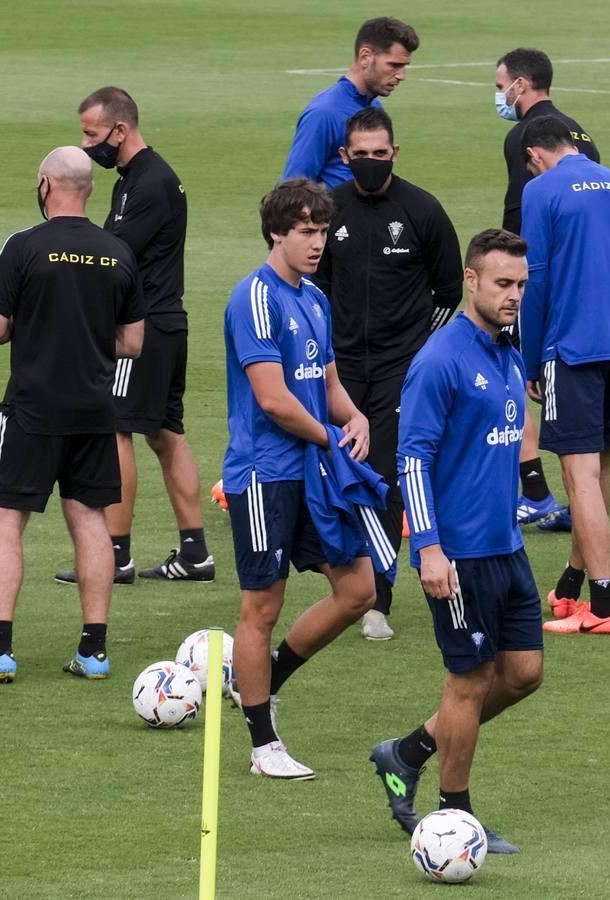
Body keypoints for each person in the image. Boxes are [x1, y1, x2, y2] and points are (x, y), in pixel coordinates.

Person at [368, 229, 542, 854]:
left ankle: (407, 751)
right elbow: (411, 460)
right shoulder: (440, 359)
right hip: (460, 555)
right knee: (468, 683)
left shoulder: (506, 351)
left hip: (506, 546)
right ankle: (454, 818)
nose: (514, 295)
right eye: (502, 283)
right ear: (471, 281)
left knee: (523, 673)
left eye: (521, 284)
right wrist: (429, 550)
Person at [0, 147, 145, 683]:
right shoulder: (118, 251)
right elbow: (132, 342)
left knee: (5, 519)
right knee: (89, 521)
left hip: (32, 408)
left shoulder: (24, 246)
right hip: (96, 411)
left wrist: (35, 320)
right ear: (89, 190)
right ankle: (94, 652)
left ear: (45, 184)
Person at [223, 178, 381, 779]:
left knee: (358, 590)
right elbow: (273, 400)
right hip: (265, 474)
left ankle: (260, 679)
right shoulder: (254, 299)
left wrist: (355, 416)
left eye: (323, 231)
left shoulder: (314, 298)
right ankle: (264, 745)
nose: (318, 242)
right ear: (276, 233)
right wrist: (330, 437)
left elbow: (327, 384)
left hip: (314, 472)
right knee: (262, 607)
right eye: (307, 232)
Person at [313, 107, 463, 641]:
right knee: (338, 470)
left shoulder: (422, 210)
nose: (372, 163)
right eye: (362, 155)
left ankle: (379, 596)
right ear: (344, 156)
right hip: (342, 367)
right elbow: (319, 290)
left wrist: (419, 352)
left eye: (381, 154)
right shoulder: (331, 211)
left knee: (386, 473)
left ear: (395, 153)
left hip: (403, 368)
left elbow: (449, 292)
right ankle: (348, 581)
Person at [55, 86, 211, 585]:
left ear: (120, 130)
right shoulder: (140, 178)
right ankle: (195, 554)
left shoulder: (149, 183)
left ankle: (115, 555)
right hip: (168, 323)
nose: (86, 144)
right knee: (166, 435)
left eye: (91, 133)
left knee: (116, 429)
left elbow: (112, 257)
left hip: (142, 329)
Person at [517, 116, 610, 638]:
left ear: (534, 155)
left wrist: (527, 360)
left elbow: (535, 279)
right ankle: (571, 584)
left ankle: (605, 604)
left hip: (570, 345)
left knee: (578, 477)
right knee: (598, 472)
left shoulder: (540, 189)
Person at [495, 47, 601, 532]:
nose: (499, 94)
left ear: (521, 84)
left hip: (536, 275)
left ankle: (535, 490)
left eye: (501, 85)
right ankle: (571, 501)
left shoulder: (525, 137)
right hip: (586, 282)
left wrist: (505, 272)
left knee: (512, 377)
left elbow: (525, 211)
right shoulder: (579, 133)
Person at [282, 17, 419, 188]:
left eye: (404, 66)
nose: (401, 76)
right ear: (365, 57)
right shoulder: (325, 112)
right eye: (394, 65)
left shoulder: (375, 107)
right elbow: (292, 189)